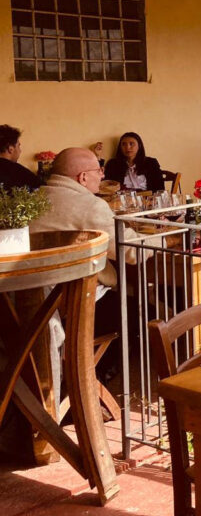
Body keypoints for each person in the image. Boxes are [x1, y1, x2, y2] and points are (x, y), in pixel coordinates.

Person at [30, 148, 144, 382]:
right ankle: (92, 379)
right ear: (82, 177)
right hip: (73, 305)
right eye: (98, 170)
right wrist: (170, 239)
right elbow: (131, 251)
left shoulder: (33, 199)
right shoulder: (89, 205)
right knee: (139, 313)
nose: (102, 175)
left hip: (29, 305)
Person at [0, 124, 42, 190]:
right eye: (18, 146)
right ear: (10, 149)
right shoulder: (18, 171)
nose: (20, 151)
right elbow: (43, 189)